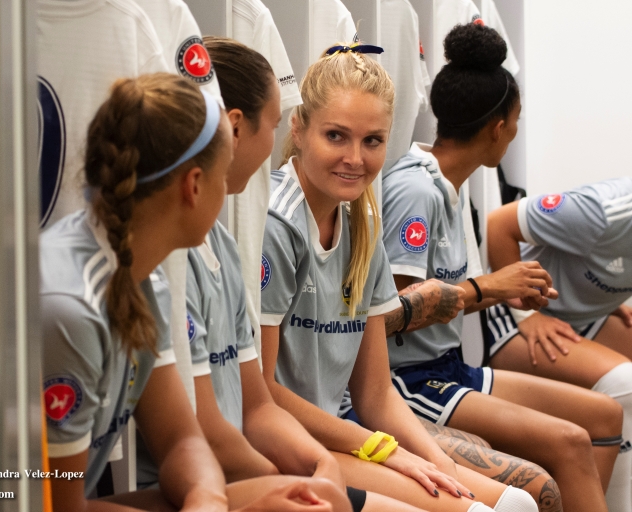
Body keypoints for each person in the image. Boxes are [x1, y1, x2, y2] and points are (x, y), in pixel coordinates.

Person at [42, 72, 344, 512]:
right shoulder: (72, 309)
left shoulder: (144, 278)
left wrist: (208, 498)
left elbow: (180, 440)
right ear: (194, 185)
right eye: (224, 176)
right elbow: (57, 507)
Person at [259, 40, 537, 512]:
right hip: (283, 444)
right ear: (298, 129)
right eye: (336, 136)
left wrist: (438, 462)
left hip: (340, 431)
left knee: (516, 504)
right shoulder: (278, 224)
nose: (355, 158)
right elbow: (264, 394)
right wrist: (384, 450)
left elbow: (374, 392)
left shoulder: (361, 221)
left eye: (372, 141)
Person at [379, 22, 623, 512]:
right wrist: (490, 287)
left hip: (449, 366)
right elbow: (396, 317)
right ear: (498, 129)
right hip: (408, 379)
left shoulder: (450, 184)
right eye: (515, 122)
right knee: (571, 441)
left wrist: (506, 292)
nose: (514, 133)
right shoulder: (416, 190)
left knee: (604, 415)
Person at [486, 177, 632, 511]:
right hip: (516, 316)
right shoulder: (602, 210)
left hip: (584, 315)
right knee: (625, 383)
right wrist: (526, 315)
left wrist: (605, 300)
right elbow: (499, 224)